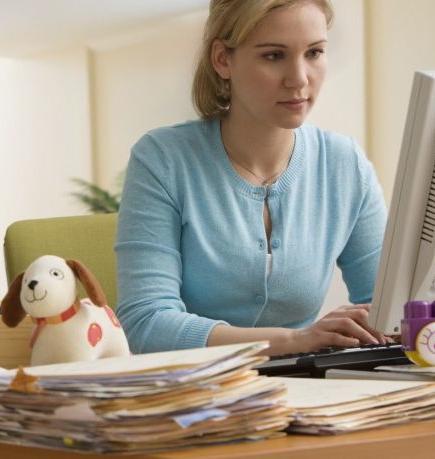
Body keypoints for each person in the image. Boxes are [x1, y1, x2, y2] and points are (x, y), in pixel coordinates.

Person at [115, 0, 389, 356]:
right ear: (222, 59)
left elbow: (393, 308)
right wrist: (292, 341)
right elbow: (145, 323)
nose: (300, 78)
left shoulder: (345, 165)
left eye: (314, 52)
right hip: (190, 391)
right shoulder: (163, 159)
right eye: (274, 56)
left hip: (311, 390)